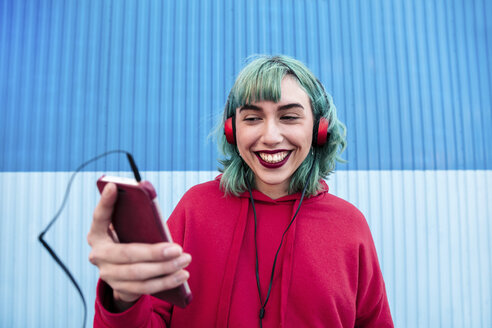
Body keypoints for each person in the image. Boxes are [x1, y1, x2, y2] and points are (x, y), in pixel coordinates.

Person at [87, 55, 394, 327]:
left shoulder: (349, 225)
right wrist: (124, 300)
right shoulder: (195, 209)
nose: (271, 136)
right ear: (232, 131)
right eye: (252, 118)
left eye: (289, 116)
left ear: (319, 130)